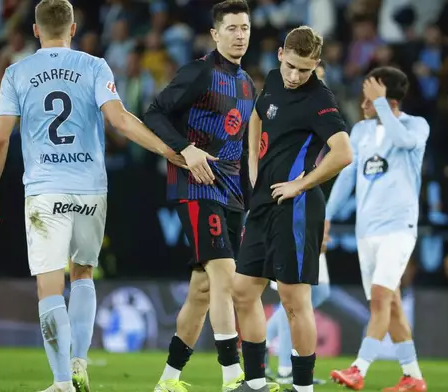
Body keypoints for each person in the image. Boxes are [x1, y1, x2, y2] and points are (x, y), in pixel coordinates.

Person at [0, 1, 185, 392]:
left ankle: (60, 382)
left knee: (49, 285)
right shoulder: (95, 67)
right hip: (91, 189)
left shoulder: (16, 73)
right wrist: (167, 150)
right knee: (84, 274)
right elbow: (120, 120)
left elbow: (1, 139)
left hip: (44, 190)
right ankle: (79, 363)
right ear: (73, 29)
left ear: (36, 31)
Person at [143, 1, 256, 391]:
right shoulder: (199, 72)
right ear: (215, 34)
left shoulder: (247, 83)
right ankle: (232, 377)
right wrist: (185, 150)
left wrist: (249, 194)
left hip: (231, 192)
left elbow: (239, 146)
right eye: (232, 28)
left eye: (245, 28)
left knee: (203, 288)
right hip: (195, 186)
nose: (240, 35)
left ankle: (168, 380)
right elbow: (154, 113)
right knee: (224, 275)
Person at [233, 26, 353, 392]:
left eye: (304, 69)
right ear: (281, 54)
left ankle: (303, 388)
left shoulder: (320, 99)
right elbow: (256, 117)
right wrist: (252, 163)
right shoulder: (271, 80)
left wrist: (301, 183)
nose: (295, 75)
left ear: (316, 64)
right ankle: (254, 383)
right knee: (242, 291)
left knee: (294, 301)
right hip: (263, 204)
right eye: (291, 66)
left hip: (297, 207)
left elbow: (344, 152)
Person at [326, 67, 429, 392]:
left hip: (398, 227)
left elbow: (403, 140)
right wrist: (327, 215)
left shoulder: (415, 125)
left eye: (369, 93)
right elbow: (346, 176)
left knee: (382, 298)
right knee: (392, 304)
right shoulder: (361, 131)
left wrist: (382, 105)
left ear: (386, 96)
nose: (363, 100)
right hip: (366, 231)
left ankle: (359, 369)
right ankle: (413, 377)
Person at [265, 252, 331, 386]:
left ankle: (261, 344)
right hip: (290, 242)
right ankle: (285, 369)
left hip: (311, 241)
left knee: (319, 292)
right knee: (292, 301)